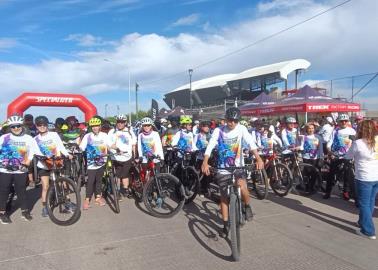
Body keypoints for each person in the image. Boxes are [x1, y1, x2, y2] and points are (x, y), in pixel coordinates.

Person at [201, 107, 264, 237]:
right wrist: (205, 161)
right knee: (224, 198)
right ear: (226, 119)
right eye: (230, 120)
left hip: (238, 167)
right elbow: (211, 145)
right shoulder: (218, 131)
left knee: (242, 186)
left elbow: (250, 143)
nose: (232, 123)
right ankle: (225, 225)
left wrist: (258, 158)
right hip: (222, 168)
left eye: (235, 121)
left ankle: (247, 206)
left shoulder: (241, 129)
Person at [0, 115, 37, 224]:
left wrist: (29, 160)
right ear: (10, 127)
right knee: (4, 191)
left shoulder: (28, 138)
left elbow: (33, 151)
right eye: (13, 127)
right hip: (5, 169)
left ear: (22, 126)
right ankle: (2, 213)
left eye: (18, 126)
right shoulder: (4, 137)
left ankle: (25, 211)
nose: (16, 128)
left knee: (21, 191)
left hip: (21, 169)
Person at [345, 120, 378, 240]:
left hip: (364, 177)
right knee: (370, 201)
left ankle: (368, 231)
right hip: (376, 176)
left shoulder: (358, 143)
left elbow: (348, 156)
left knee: (364, 203)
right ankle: (362, 221)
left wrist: (349, 146)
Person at [34, 116, 72, 217]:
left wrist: (67, 154)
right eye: (39, 125)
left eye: (44, 125)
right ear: (36, 127)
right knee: (45, 187)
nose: (42, 127)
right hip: (44, 165)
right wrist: (42, 156)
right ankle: (45, 207)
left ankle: (67, 202)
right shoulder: (35, 139)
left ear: (47, 125)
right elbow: (36, 151)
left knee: (62, 183)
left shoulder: (54, 134)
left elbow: (60, 146)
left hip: (57, 162)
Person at [80, 117, 111, 210]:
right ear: (91, 127)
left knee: (99, 180)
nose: (95, 128)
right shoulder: (87, 136)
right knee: (90, 181)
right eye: (93, 126)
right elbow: (82, 146)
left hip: (102, 161)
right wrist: (78, 148)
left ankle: (98, 197)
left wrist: (116, 148)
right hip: (91, 162)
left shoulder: (104, 135)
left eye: (97, 126)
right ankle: (87, 199)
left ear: (100, 126)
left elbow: (110, 144)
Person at [324, 114, 356, 200]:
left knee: (347, 176)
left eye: (345, 121)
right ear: (338, 122)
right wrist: (329, 151)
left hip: (348, 157)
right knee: (331, 174)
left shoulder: (352, 131)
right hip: (336, 156)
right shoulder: (335, 131)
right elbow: (329, 143)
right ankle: (328, 192)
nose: (344, 122)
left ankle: (345, 192)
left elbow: (355, 143)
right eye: (341, 121)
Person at [108, 114, 136, 197]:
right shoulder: (112, 131)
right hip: (116, 157)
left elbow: (133, 144)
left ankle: (125, 189)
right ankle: (117, 190)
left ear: (125, 123)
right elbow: (108, 143)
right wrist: (114, 148)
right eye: (118, 122)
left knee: (125, 174)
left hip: (127, 157)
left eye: (122, 122)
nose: (120, 124)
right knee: (117, 175)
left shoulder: (130, 131)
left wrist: (134, 156)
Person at [299, 123, 324, 194]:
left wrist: (321, 157)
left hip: (315, 158)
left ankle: (312, 186)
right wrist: (298, 149)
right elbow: (302, 146)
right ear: (307, 129)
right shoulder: (304, 137)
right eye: (309, 128)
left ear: (314, 129)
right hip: (306, 157)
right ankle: (306, 186)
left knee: (314, 173)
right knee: (307, 173)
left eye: (312, 128)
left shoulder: (318, 137)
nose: (311, 130)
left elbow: (320, 148)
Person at [194, 120, 212, 195]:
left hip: (209, 158)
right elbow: (193, 146)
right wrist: (197, 150)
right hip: (200, 158)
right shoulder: (197, 136)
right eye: (206, 126)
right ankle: (200, 189)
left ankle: (206, 187)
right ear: (201, 127)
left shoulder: (210, 136)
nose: (207, 128)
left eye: (208, 127)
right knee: (200, 174)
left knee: (208, 174)